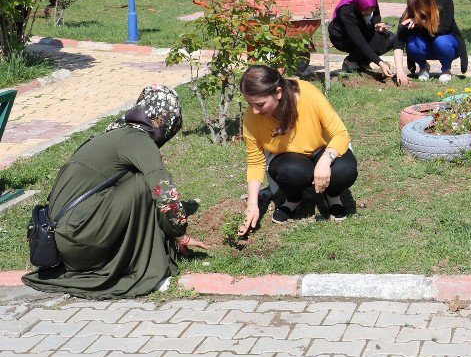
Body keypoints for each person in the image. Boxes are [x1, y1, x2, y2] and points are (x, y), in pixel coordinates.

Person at [23, 86, 208, 299]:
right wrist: (179, 233)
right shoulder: (137, 139)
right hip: (81, 242)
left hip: (65, 244)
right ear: (162, 120)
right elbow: (163, 189)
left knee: (142, 182)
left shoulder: (115, 135)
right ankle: (148, 269)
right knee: (145, 183)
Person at [239, 65, 358, 233]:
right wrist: (252, 205)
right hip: (288, 159)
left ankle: (333, 195)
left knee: (344, 170)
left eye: (260, 104)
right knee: (292, 173)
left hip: (321, 149)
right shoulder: (252, 118)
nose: (255, 111)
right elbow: (255, 162)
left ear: (278, 92)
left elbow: (341, 134)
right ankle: (293, 199)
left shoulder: (308, 94)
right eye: (250, 104)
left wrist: (325, 161)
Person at [392, 0, 468, 85]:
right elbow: (399, 43)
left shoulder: (445, 0)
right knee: (412, 43)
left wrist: (420, 21)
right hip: (425, 48)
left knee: (441, 41)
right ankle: (424, 67)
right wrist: (400, 71)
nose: (415, 10)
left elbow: (443, 29)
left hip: (448, 47)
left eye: (418, 7)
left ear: (428, 3)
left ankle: (446, 70)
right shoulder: (409, 12)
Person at [329, 0, 394, 78]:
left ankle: (363, 62)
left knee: (391, 39)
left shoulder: (371, 0)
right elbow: (360, 42)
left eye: (371, 8)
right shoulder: (346, 11)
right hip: (342, 38)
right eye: (366, 9)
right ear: (358, 4)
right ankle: (350, 61)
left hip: (363, 31)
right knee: (367, 41)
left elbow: (376, 14)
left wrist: (376, 23)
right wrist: (381, 63)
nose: (369, 12)